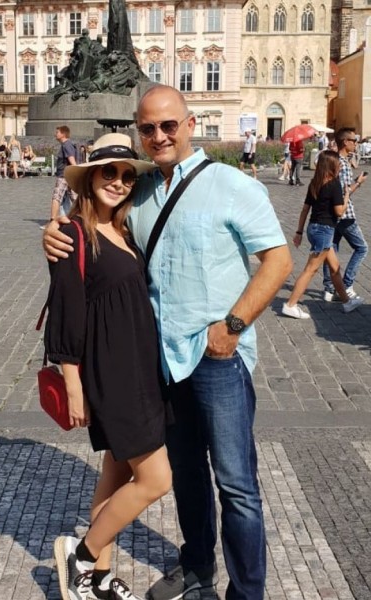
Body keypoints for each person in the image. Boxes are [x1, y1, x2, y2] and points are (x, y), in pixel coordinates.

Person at [43, 85, 293, 600]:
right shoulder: (140, 194)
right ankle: (197, 567)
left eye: (168, 125)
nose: (158, 136)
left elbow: (279, 260)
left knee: (237, 486)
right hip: (163, 363)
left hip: (218, 360)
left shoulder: (231, 184)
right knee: (187, 477)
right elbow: (95, 230)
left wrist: (232, 327)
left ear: (190, 124)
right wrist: (54, 233)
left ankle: (246, 593)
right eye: (148, 128)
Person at [48, 133, 171, 600]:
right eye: (108, 172)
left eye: (126, 175)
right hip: (113, 376)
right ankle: (80, 556)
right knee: (156, 479)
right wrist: (73, 386)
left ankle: (97, 579)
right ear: (89, 178)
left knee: (114, 477)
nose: (118, 181)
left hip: (140, 369)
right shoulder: (72, 235)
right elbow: (66, 314)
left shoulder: (125, 232)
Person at [282, 151, 364, 319]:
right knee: (311, 269)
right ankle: (290, 305)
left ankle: (347, 302)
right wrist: (346, 196)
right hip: (324, 231)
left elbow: (305, 209)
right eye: (338, 163)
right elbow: (339, 212)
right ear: (331, 165)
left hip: (313, 228)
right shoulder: (334, 184)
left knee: (335, 268)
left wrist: (299, 231)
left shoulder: (315, 183)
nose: (340, 165)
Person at [322, 128, 368, 301]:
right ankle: (347, 284)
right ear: (345, 142)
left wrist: (355, 182)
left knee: (332, 249)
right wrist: (358, 183)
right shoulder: (342, 164)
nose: (356, 143)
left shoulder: (335, 161)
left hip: (333, 214)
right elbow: (342, 193)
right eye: (354, 140)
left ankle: (329, 288)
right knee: (362, 248)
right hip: (345, 214)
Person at [50, 126, 79, 219]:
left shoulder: (66, 145)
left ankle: (53, 220)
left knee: (56, 196)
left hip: (64, 175)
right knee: (75, 198)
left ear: (63, 134)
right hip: (69, 175)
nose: (55, 134)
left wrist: (77, 171)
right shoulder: (67, 144)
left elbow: (71, 159)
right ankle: (84, 218)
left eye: (57, 132)